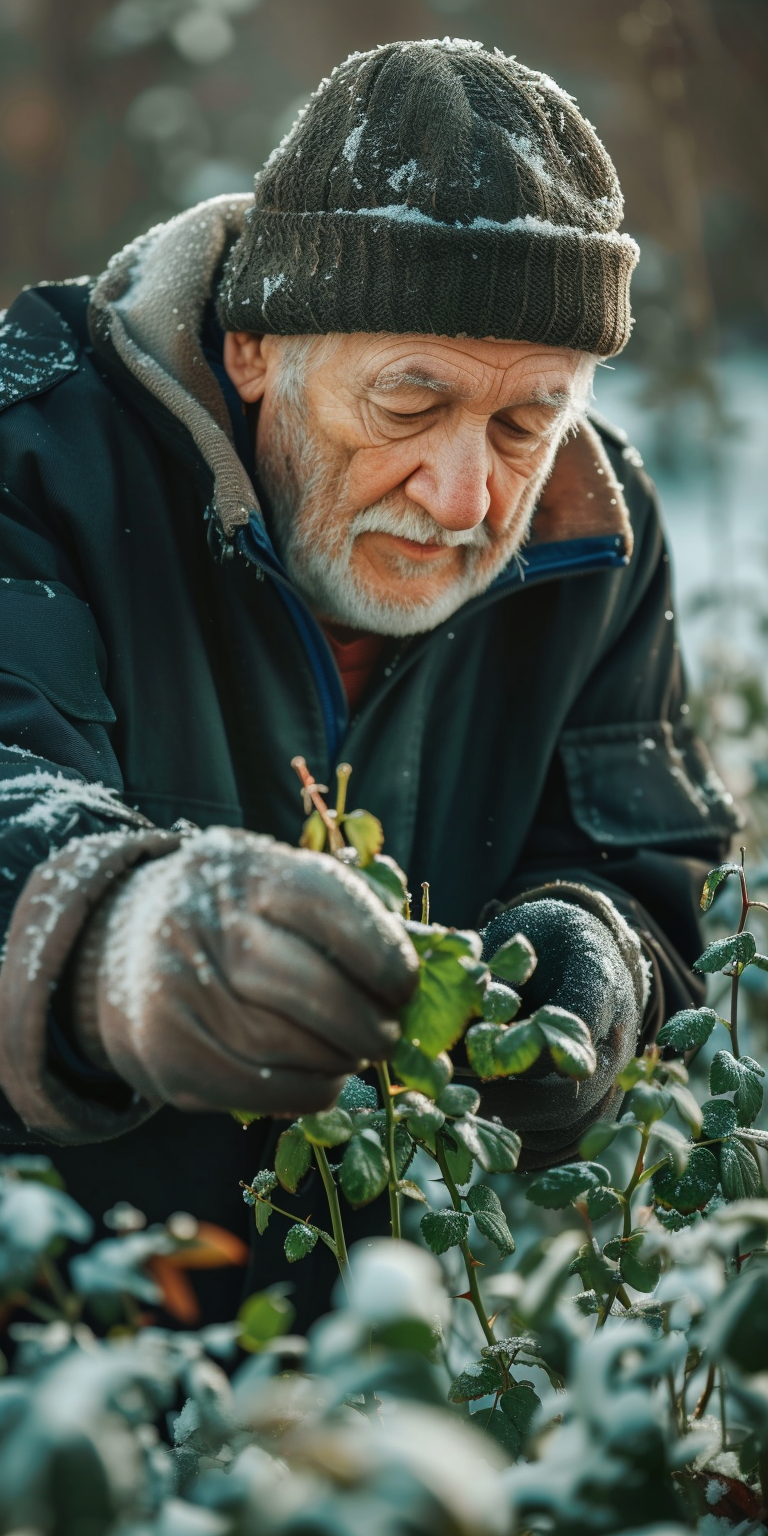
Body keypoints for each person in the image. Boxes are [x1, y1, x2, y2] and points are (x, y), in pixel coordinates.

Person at [0, 39, 737, 1325]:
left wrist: (596, 964)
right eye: (408, 402)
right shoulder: (30, 456)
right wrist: (118, 941)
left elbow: (656, 871)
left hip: (408, 1384)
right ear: (252, 347)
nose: (466, 497)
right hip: (65, 1354)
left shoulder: (597, 535)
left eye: (526, 421)